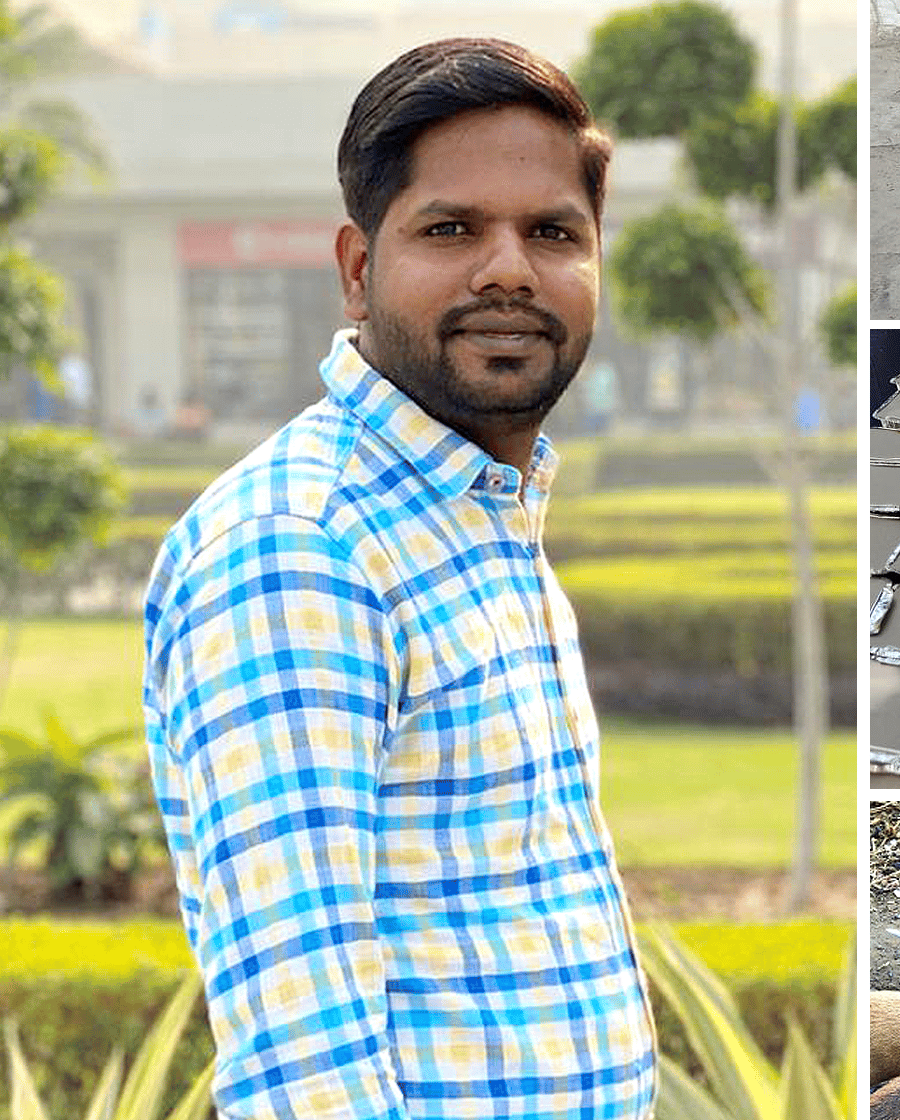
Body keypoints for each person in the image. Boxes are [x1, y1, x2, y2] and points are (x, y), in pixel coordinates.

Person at [142, 38, 656, 1119]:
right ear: (357, 268)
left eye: (552, 231)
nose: (509, 267)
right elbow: (303, 1057)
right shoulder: (302, 547)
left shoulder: (470, 515)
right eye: (451, 228)